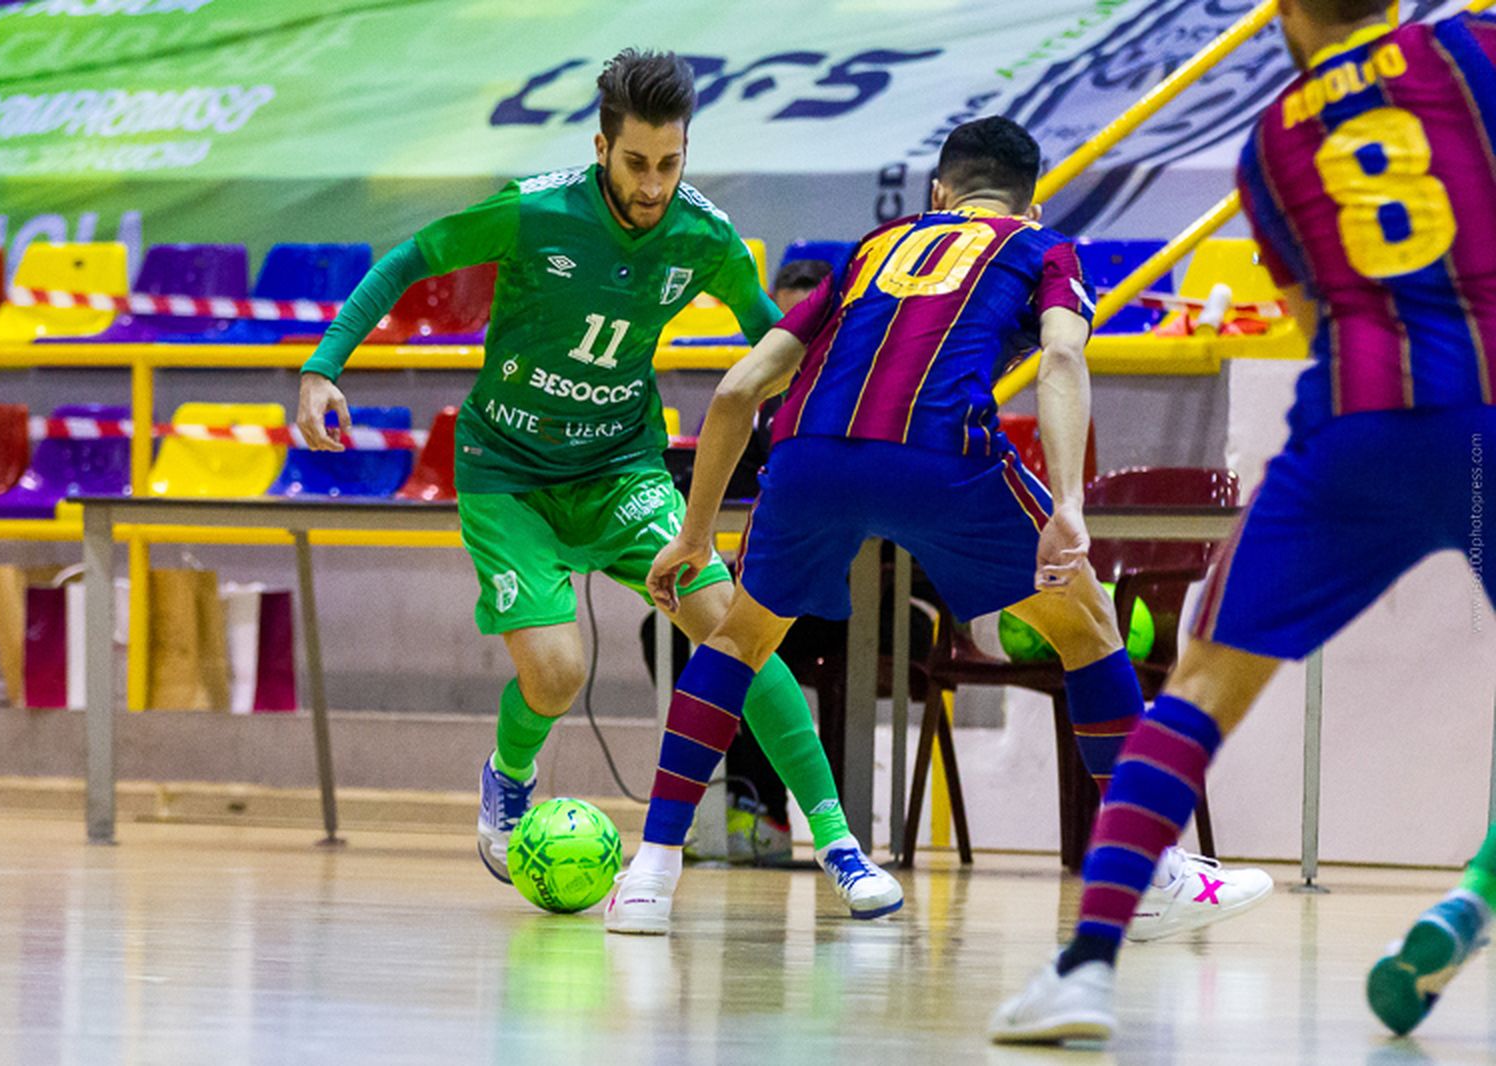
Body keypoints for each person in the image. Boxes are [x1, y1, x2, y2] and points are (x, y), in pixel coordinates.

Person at [604, 115, 1269, 936]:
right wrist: (1067, 504)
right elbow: (1061, 358)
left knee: (736, 642)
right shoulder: (1040, 248)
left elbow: (740, 391)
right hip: (939, 451)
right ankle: (1151, 872)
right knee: (1091, 628)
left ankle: (650, 877)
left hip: (811, 450)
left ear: (938, 193)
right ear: (1027, 206)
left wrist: (696, 534)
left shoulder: (873, 246)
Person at [991, 0, 1496, 1044]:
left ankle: (1086, 966)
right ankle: (1476, 893)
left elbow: (1315, 316)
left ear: (1285, 14)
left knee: (1198, 694)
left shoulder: (1269, 147)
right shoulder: (1471, 45)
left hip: (1357, 428)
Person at [295, 48, 884, 914]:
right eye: (637, 163)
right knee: (558, 675)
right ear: (603, 147)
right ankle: (509, 775)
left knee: (737, 633)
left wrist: (842, 393)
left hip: (622, 471)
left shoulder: (705, 237)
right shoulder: (536, 211)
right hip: (510, 475)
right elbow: (409, 261)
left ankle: (838, 843)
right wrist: (323, 366)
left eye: (670, 163)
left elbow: (768, 335)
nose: (653, 186)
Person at [638, 257, 839, 867]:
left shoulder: (850, 391)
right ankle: (749, 804)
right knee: (682, 628)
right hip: (779, 596)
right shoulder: (762, 404)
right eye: (777, 318)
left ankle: (800, 818)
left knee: (742, 638)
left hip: (854, 605)